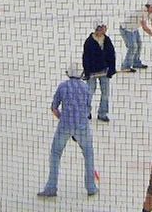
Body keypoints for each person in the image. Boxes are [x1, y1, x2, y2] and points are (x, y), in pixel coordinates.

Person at [37, 62, 98, 198]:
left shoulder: (62, 86)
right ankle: (91, 187)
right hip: (82, 126)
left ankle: (51, 188)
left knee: (55, 154)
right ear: (81, 74)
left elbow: (54, 108)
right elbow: (88, 110)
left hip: (64, 125)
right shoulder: (86, 88)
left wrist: (63, 119)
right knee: (88, 154)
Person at [82, 21, 116, 122]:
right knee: (89, 92)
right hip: (92, 72)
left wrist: (112, 68)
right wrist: (87, 71)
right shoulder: (89, 41)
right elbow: (86, 58)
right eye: (102, 28)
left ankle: (102, 113)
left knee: (105, 93)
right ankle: (86, 112)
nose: (104, 30)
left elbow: (111, 55)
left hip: (104, 71)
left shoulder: (107, 40)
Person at [119, 0, 152, 72]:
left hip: (134, 29)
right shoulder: (141, 12)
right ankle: (125, 66)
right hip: (126, 29)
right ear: (148, 6)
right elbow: (144, 27)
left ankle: (136, 63)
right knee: (132, 47)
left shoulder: (151, 13)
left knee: (139, 44)